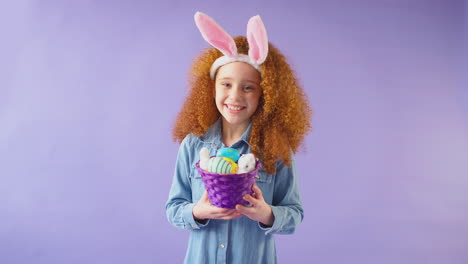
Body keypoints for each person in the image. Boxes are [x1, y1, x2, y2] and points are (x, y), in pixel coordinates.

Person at [165, 12, 312, 264]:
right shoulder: (193, 144)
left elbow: (294, 214)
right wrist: (197, 212)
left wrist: (267, 214)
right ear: (211, 88)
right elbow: (173, 208)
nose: (235, 96)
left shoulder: (275, 149)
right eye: (226, 84)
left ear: (264, 94)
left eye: (248, 87)